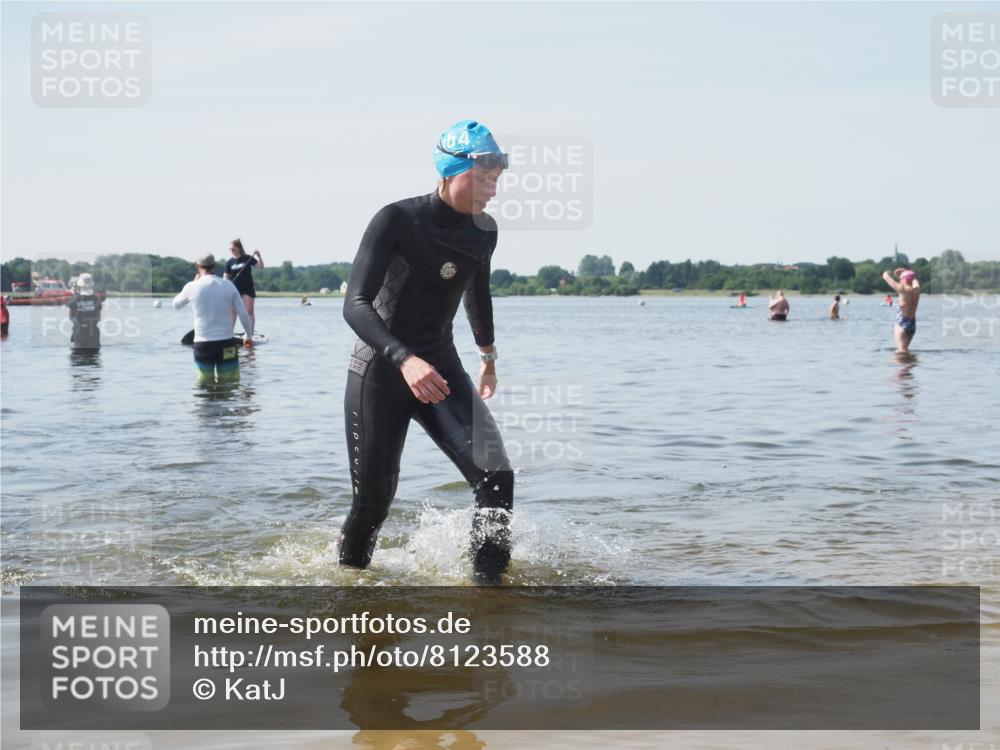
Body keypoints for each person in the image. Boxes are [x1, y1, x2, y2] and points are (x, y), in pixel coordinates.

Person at [340, 119, 513, 583]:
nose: (491, 190)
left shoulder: (484, 232)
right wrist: (405, 360)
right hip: (380, 372)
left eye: (496, 179)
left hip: (441, 369)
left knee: (496, 478)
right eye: (482, 178)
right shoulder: (396, 220)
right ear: (449, 170)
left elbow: (478, 293)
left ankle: (490, 595)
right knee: (374, 503)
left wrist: (488, 358)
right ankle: (350, 589)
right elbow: (354, 305)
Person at [173, 253, 254, 384]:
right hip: (226, 343)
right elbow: (243, 313)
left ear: (198, 267)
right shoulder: (228, 285)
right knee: (229, 385)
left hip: (203, 345)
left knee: (204, 387)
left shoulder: (192, 286)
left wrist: (193, 283)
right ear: (214, 266)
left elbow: (175, 305)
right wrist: (248, 336)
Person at [224, 239, 264, 333]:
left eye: (233, 249)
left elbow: (261, 266)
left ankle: (250, 332)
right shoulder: (229, 262)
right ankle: (229, 333)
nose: (231, 251)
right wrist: (225, 285)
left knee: (249, 311)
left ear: (238, 248)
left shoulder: (247, 258)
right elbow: (225, 277)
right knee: (233, 312)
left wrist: (259, 256)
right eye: (230, 249)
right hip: (234, 290)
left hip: (247, 289)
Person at [882, 268, 920, 353]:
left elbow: (886, 277)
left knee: (901, 353)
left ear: (904, 280)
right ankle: (912, 365)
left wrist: (886, 273)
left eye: (901, 279)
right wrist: (906, 271)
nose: (900, 280)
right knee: (904, 352)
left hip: (902, 323)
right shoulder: (917, 290)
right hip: (912, 325)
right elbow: (914, 279)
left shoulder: (902, 289)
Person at [66, 273, 103, 350]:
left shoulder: (74, 300)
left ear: (80, 285)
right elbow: (98, 318)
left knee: (79, 357)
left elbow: (71, 317)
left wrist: (80, 324)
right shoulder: (96, 300)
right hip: (93, 332)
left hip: (79, 332)